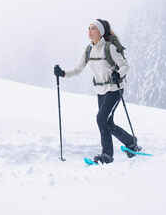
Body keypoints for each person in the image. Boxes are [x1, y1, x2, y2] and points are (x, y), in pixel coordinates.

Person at [54, 19, 141, 164]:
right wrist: (62, 73)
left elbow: (125, 66)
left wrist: (118, 74)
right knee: (108, 122)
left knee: (101, 119)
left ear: (100, 32)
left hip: (114, 89)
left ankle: (107, 155)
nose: (89, 31)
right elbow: (78, 69)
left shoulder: (109, 48)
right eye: (89, 28)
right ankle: (131, 142)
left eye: (93, 28)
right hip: (101, 91)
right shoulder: (89, 50)